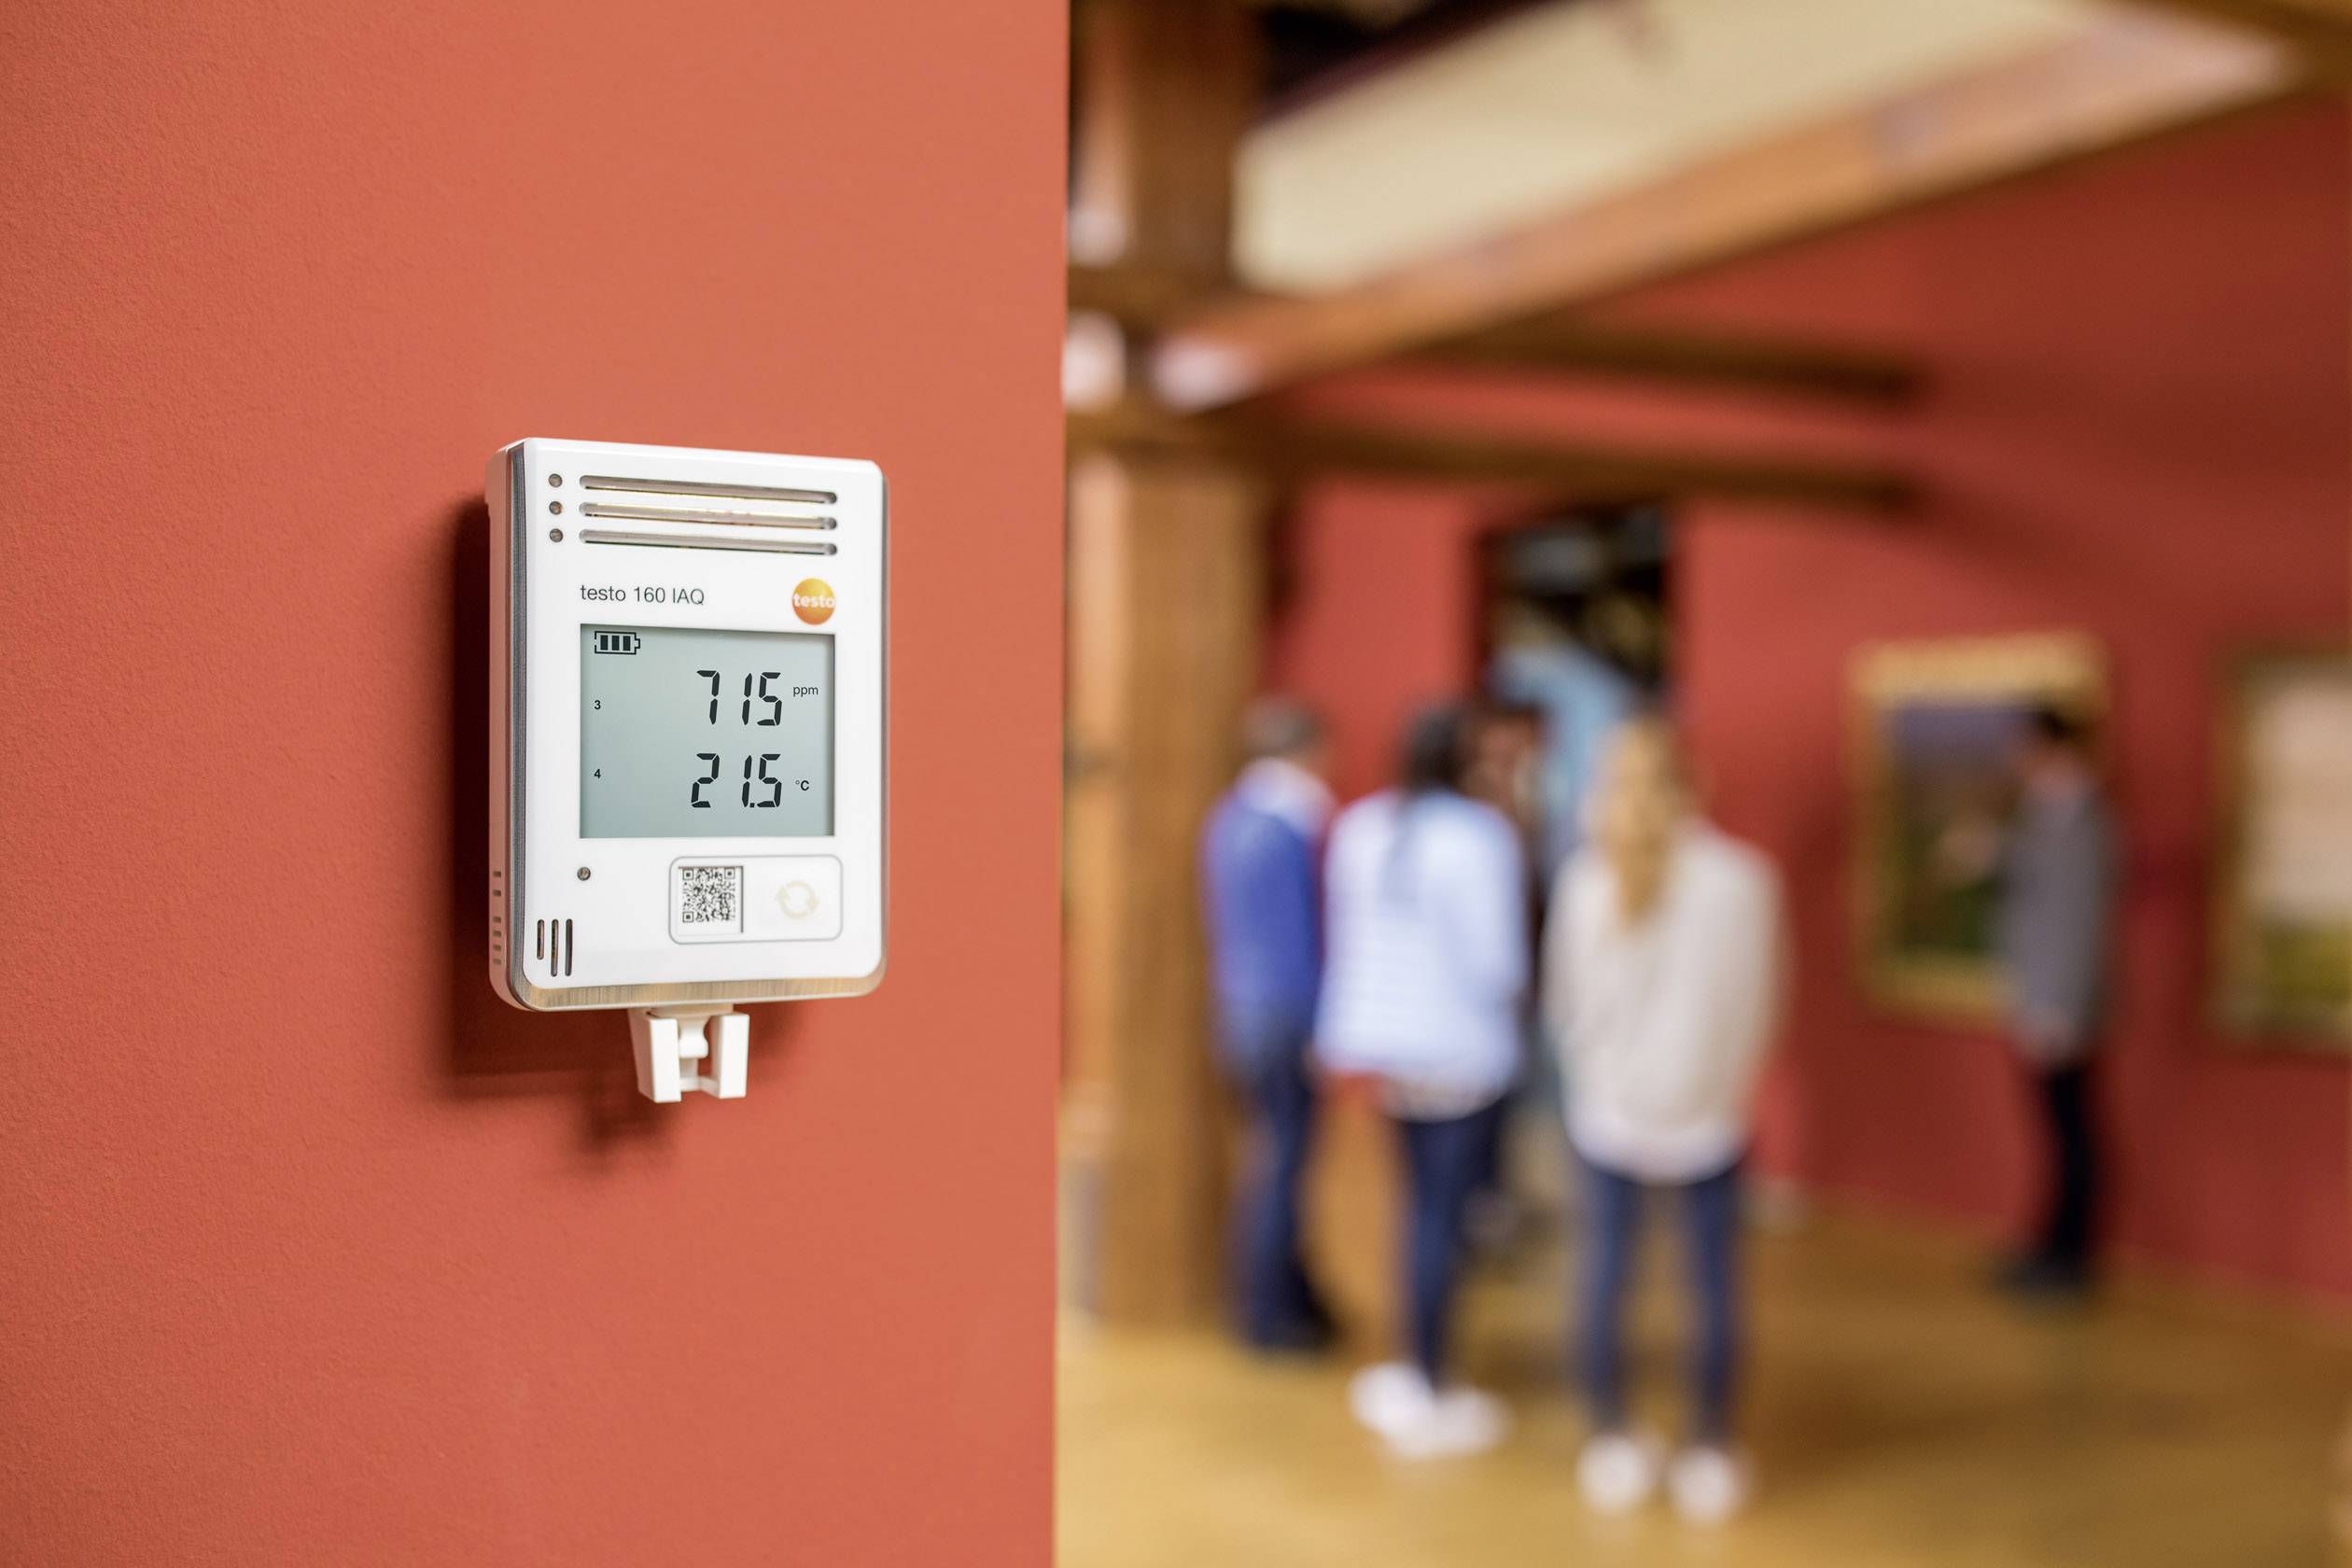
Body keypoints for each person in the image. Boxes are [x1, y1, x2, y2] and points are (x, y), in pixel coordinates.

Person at [1546, 718, 1783, 1524]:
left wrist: (1601, 1075)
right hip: (1707, 1113)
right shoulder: (1743, 880)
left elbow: (1564, 1007)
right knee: (1712, 1283)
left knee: (1605, 1274)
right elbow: (1759, 1006)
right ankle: (1710, 1449)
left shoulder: (1585, 878)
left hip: (1609, 1111)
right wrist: (1721, 1085)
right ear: (1696, 782)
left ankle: (1611, 1440)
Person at [1318, 704, 1528, 1459]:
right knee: (1443, 1216)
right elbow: (1497, 962)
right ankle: (1430, 1378)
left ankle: (1411, 1366)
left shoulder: (1363, 827)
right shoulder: (1478, 838)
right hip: (1457, 1056)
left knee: (1416, 1211)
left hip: (1384, 1049)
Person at [1200, 697, 1338, 1351]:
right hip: (1286, 1013)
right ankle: (1269, 1312)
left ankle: (1273, 1296)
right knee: (1286, 1161)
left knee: (1268, 1155)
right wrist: (1320, 1026)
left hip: (1239, 1010)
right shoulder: (1291, 829)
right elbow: (1297, 940)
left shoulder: (1226, 820)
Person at [1991, 706, 2117, 1298]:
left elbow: (2082, 923)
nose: (2014, 759)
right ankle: (2049, 1246)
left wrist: (2062, 1007)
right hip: (2043, 999)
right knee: (2055, 1129)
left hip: (2062, 1008)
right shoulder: (2043, 814)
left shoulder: (2086, 818)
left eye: (2022, 746)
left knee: (2072, 1131)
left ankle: (2070, 1259)